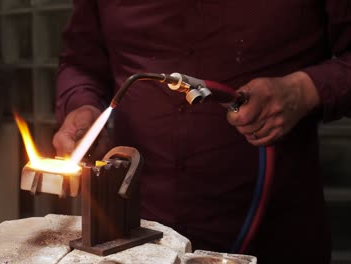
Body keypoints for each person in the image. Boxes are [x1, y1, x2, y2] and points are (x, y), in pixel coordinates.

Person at [52, 1, 351, 263]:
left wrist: (303, 90)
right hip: (135, 232)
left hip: (274, 230)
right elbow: (81, 62)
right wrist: (82, 105)